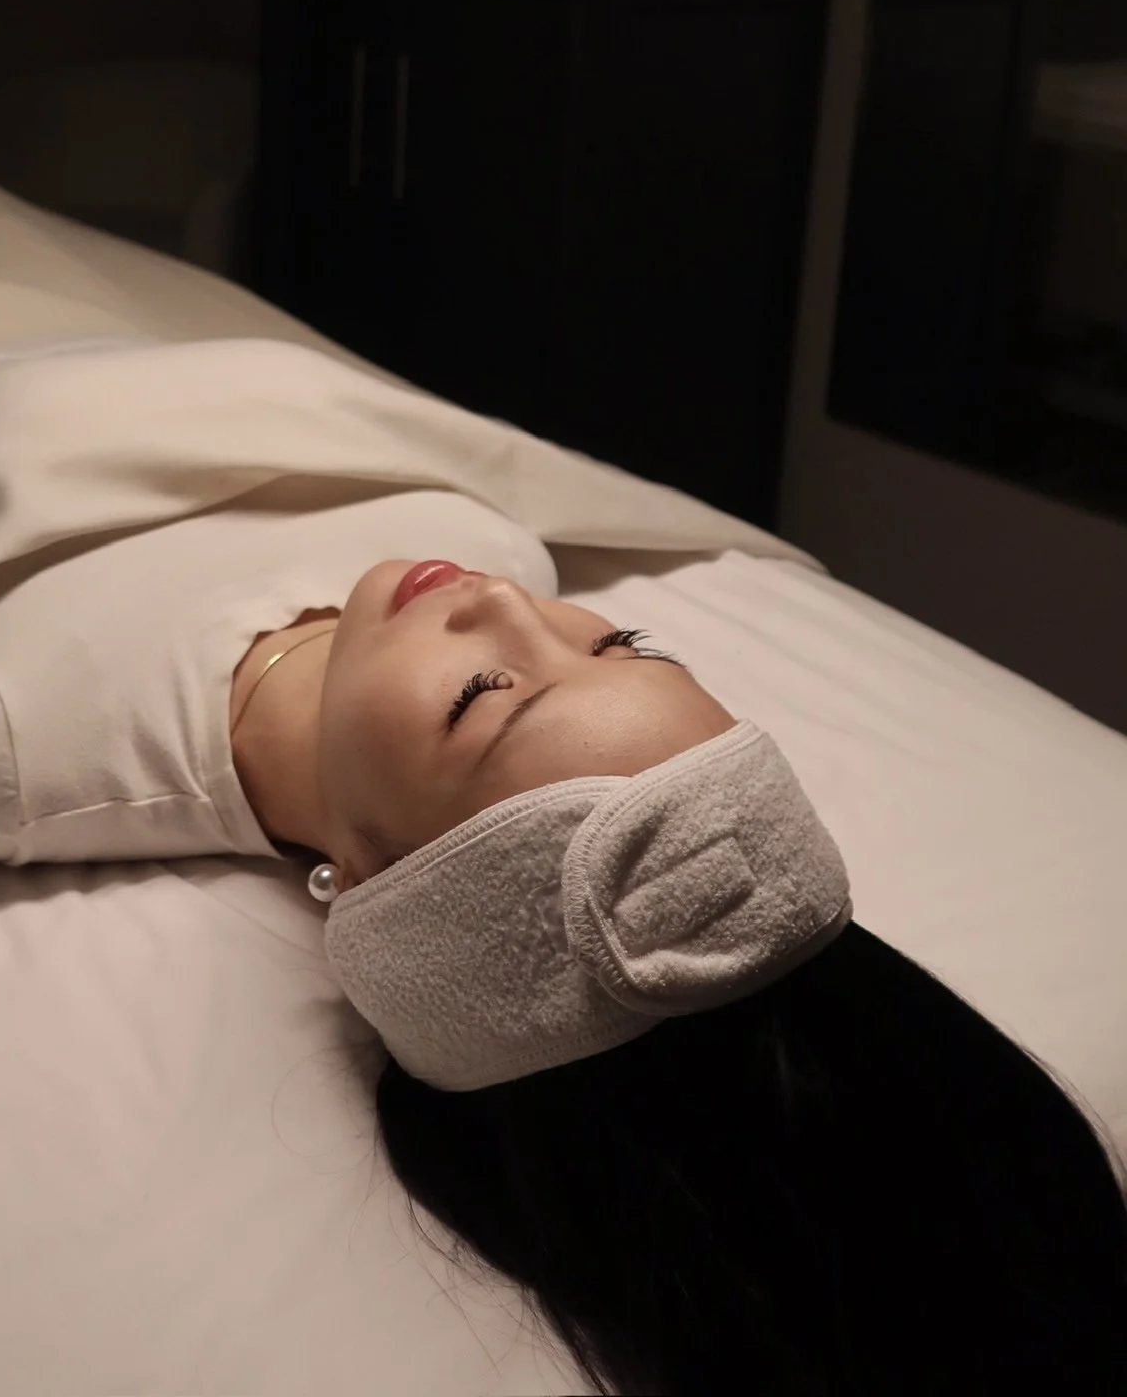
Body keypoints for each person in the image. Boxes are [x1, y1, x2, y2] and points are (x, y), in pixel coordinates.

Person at [230, 556, 1127, 1397]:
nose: (502, 594)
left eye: (477, 697)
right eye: (618, 645)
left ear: (363, 888)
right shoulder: (492, 557)